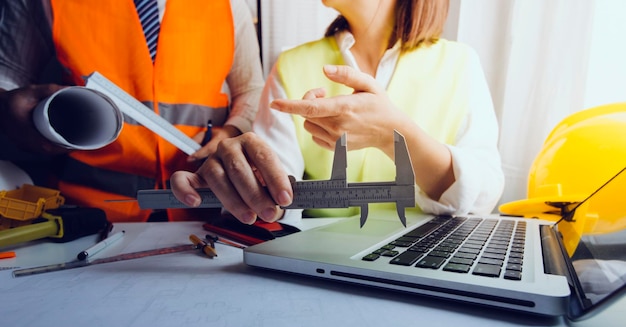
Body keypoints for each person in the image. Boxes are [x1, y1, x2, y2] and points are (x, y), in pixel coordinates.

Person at [170, 0, 504, 227]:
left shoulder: (461, 64)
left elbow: (483, 196)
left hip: (427, 270)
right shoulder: (291, 65)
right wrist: (237, 181)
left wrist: (394, 136)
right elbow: (272, 204)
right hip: (317, 275)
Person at [0, 0, 264, 222]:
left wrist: (232, 130)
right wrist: (12, 112)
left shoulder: (227, 4)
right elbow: (6, 83)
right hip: (89, 213)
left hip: (200, 210)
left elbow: (250, 89)